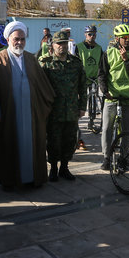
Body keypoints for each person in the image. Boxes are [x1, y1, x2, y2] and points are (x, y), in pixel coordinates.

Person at [0, 21, 55, 189]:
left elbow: (43, 87)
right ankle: (10, 181)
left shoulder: (31, 59)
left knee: (33, 145)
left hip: (32, 114)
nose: (19, 43)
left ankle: (34, 179)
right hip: (9, 115)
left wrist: (42, 110)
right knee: (9, 145)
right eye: (16, 39)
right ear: (8, 39)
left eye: (22, 39)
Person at [40, 31, 87, 181]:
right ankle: (53, 168)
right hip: (53, 111)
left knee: (70, 141)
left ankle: (64, 168)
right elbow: (39, 87)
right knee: (53, 141)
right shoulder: (45, 63)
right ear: (52, 45)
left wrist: (82, 107)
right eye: (59, 43)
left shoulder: (76, 63)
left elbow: (82, 86)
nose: (62, 46)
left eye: (64, 43)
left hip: (72, 110)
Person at [98, 23, 129, 170]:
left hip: (128, 98)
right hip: (112, 97)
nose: (128, 40)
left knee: (127, 131)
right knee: (107, 128)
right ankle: (106, 157)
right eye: (124, 38)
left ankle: (123, 157)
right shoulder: (108, 53)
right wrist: (105, 92)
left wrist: (126, 60)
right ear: (117, 38)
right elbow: (102, 74)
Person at [76, 25, 103, 134]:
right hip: (83, 78)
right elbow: (76, 62)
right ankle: (77, 123)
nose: (92, 36)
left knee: (93, 101)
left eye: (94, 34)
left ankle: (92, 120)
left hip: (94, 79)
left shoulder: (99, 48)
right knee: (81, 100)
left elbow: (101, 64)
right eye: (89, 34)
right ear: (85, 35)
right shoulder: (79, 47)